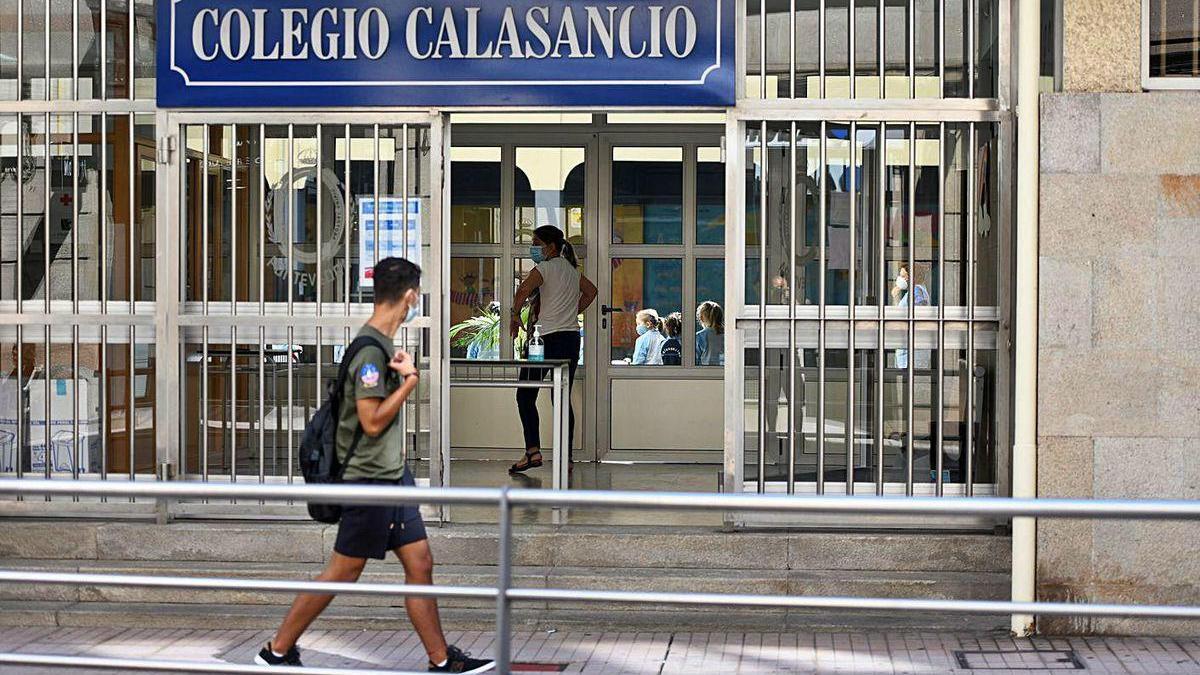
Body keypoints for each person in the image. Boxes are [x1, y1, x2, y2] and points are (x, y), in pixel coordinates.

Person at [256, 258, 493, 674]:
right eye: (416, 298)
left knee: (420, 563)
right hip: (368, 479)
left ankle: (441, 660)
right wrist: (410, 383)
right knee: (344, 570)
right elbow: (371, 421)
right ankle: (277, 649)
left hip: (391, 477)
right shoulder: (369, 352)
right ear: (409, 297)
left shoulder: (379, 346)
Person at [508, 225, 597, 473]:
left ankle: (533, 451)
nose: (533, 248)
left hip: (545, 340)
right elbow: (591, 292)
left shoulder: (545, 268)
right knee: (561, 397)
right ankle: (566, 458)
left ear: (550, 247)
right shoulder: (571, 271)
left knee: (525, 395)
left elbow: (524, 289)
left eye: (537, 243)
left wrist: (514, 316)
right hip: (570, 339)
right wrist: (572, 312)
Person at [695, 301, 725, 366]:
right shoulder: (729, 334)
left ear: (701, 318)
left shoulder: (700, 336)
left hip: (706, 373)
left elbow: (694, 361)